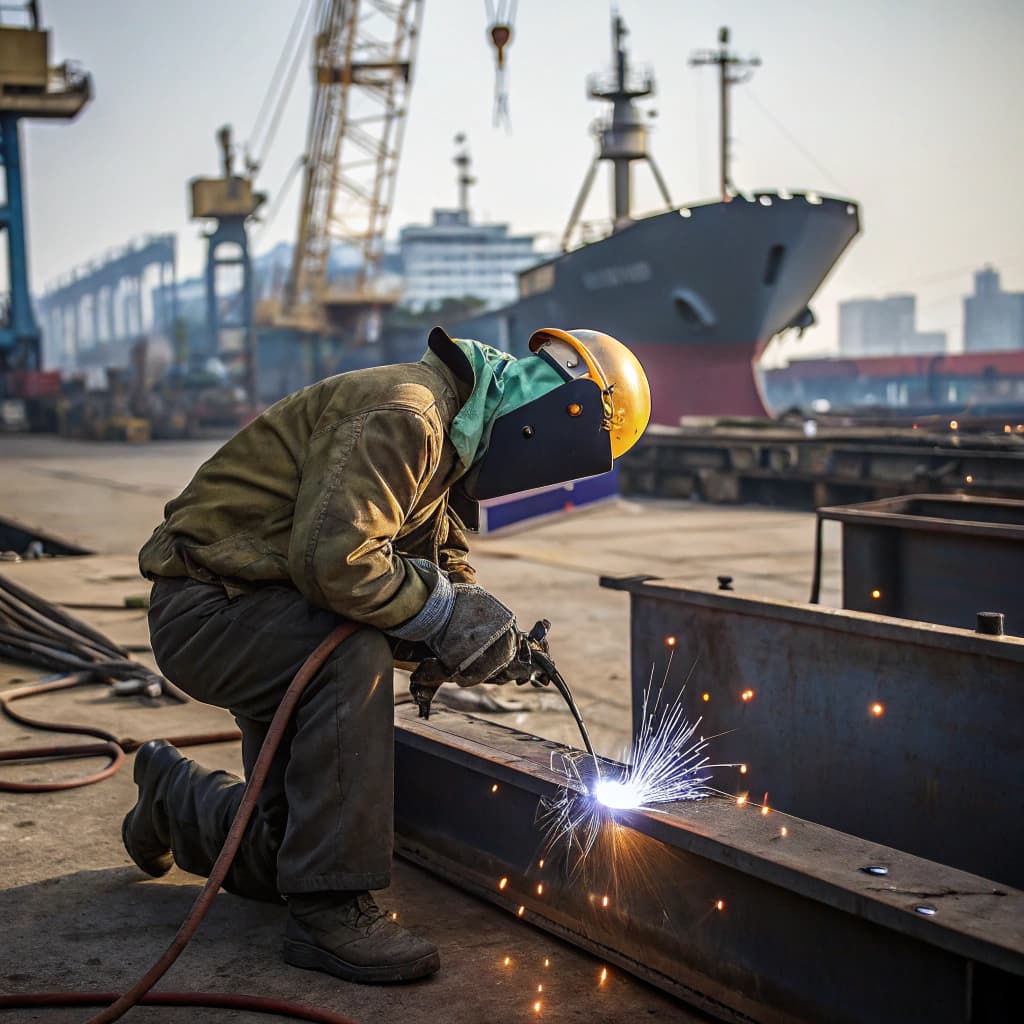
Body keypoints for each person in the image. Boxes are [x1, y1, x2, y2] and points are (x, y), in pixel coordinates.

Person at [122, 326, 650, 984]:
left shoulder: (448, 440)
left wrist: (484, 639)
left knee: (278, 856)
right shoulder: (408, 415)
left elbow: (434, 570)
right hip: (211, 611)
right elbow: (338, 564)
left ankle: (172, 799)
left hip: (270, 615)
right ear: (559, 415)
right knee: (354, 661)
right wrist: (443, 617)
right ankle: (331, 910)